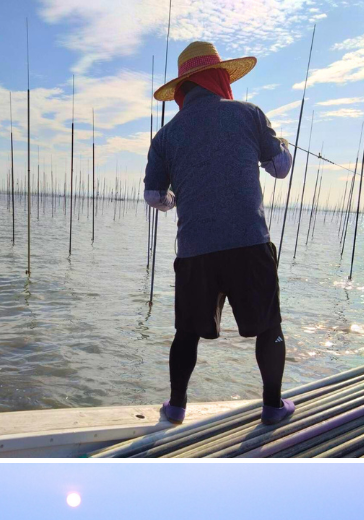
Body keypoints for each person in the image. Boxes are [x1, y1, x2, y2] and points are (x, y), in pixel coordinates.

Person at [145, 40, 296, 427]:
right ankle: (272, 407)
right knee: (269, 326)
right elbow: (280, 168)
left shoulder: (164, 137)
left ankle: (176, 408)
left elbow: (153, 196)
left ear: (182, 89)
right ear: (218, 77)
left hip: (195, 250)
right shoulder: (248, 115)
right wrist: (278, 142)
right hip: (249, 243)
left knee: (187, 332)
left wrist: (174, 199)